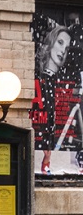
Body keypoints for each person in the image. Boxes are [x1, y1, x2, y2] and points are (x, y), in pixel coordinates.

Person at [32, 25, 74, 174]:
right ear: (51, 43)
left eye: (67, 48)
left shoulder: (63, 85)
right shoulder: (37, 78)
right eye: (60, 43)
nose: (63, 51)